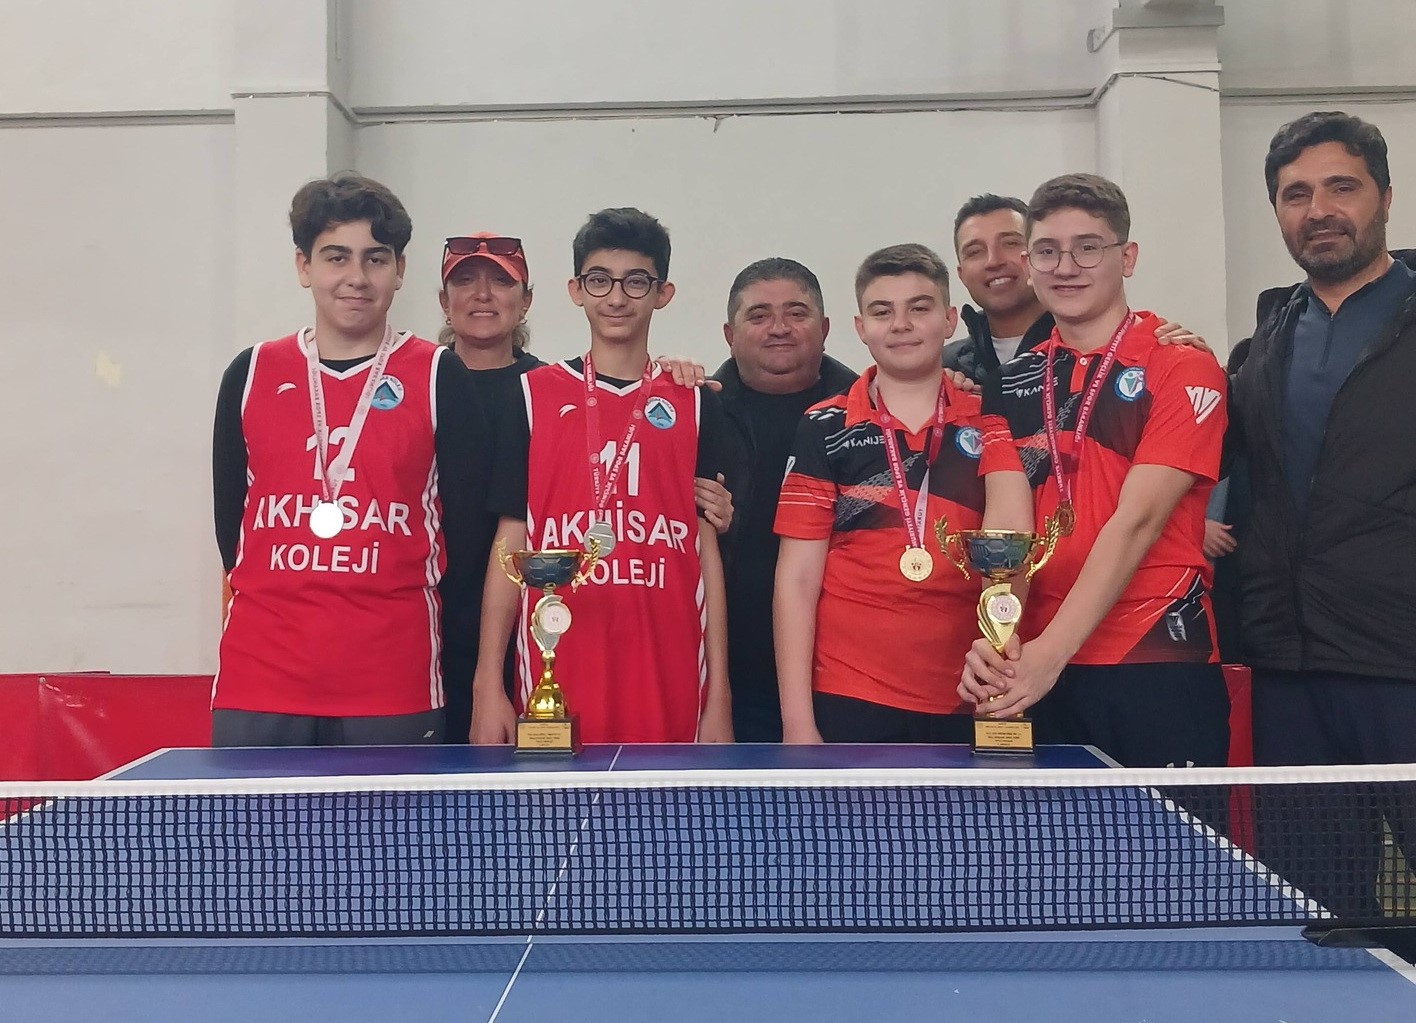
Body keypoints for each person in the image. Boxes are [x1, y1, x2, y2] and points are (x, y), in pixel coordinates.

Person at [211, 173, 494, 746]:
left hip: (391, 682)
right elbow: (230, 528)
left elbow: (465, 542)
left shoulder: (439, 376)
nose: (356, 278)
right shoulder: (251, 373)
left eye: (376, 258)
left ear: (400, 270)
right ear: (304, 266)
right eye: (336, 257)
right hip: (260, 679)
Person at [962, 173, 1230, 771]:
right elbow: (1008, 532)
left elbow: (1138, 522)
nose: (1066, 267)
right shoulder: (1010, 383)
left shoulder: (1181, 365)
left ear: (1126, 257)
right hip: (1039, 666)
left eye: (1088, 248)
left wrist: (1048, 654)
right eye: (1047, 251)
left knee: (1169, 838)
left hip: (1154, 657)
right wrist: (1000, 645)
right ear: (1029, 264)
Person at [1230, 110, 1416, 917]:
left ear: (1385, 196)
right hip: (1290, 672)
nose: (1319, 210)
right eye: (1296, 194)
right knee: (1317, 915)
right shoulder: (1260, 345)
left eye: (1342, 187)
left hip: (1402, 665)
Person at [471, 207, 734, 744]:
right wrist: (486, 684)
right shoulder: (530, 396)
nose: (616, 297)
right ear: (576, 290)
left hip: (668, 656)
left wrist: (720, 696)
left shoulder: (695, 402)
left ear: (663, 293)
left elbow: (705, 546)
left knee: (666, 798)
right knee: (556, 798)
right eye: (599, 280)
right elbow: (511, 538)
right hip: (560, 650)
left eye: (636, 281)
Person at [773, 244, 987, 744]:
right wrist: (797, 723)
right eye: (882, 311)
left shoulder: (992, 421)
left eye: (919, 307)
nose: (901, 325)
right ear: (860, 327)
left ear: (950, 319)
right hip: (850, 692)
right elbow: (797, 581)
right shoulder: (824, 426)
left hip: (967, 693)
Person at [712, 258, 857, 742]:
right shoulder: (693, 415)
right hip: (728, 676)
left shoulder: (873, 413)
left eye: (796, 313)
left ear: (826, 329)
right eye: (759, 315)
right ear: (729, 335)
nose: (779, 328)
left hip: (846, 675)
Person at [435, 234, 546, 745]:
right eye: (465, 281)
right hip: (423, 635)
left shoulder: (554, 392)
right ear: (444, 301)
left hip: (529, 635)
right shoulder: (412, 384)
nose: (482, 294)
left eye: (501, 281)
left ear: (525, 301)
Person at [944, 193, 1211, 384]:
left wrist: (1196, 366)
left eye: (1010, 243)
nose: (994, 261)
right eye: (975, 251)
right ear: (961, 274)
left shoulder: (1130, 347)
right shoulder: (944, 367)